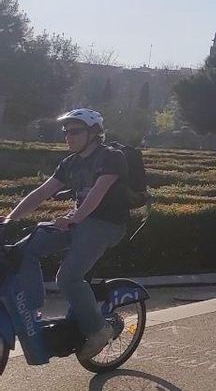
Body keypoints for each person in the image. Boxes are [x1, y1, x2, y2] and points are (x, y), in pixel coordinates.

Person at [1, 109, 129, 359]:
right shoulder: (71, 162)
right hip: (79, 221)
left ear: (94, 133)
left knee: (68, 278)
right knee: (23, 250)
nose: (68, 137)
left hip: (105, 225)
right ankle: (34, 310)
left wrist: (74, 218)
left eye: (74, 131)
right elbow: (43, 191)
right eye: (65, 132)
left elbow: (98, 192)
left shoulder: (112, 157)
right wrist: (9, 218)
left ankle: (99, 329)